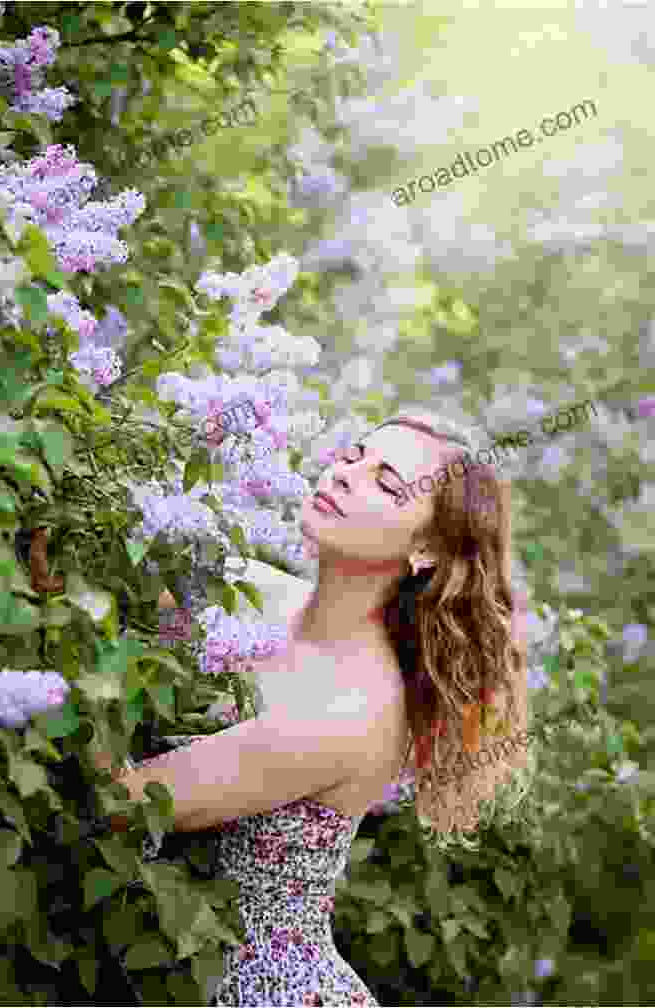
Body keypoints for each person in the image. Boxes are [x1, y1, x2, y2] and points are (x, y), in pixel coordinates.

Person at [94, 410, 529, 1006]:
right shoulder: (249, 587)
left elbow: (119, 804)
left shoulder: (354, 709)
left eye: (387, 482)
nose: (347, 475)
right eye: (353, 456)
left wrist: (72, 644)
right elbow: (108, 602)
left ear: (424, 549)